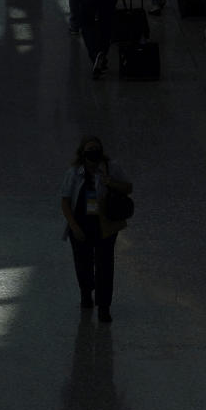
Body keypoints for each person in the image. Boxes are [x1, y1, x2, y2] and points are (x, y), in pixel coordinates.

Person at [60, 136, 133, 323]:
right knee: (83, 265)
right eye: (90, 149)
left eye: (97, 148)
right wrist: (74, 227)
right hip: (81, 226)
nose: (94, 153)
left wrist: (110, 182)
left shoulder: (112, 167)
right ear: (82, 153)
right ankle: (86, 292)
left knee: (105, 266)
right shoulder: (74, 173)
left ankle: (104, 307)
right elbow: (65, 202)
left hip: (104, 225)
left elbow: (127, 187)